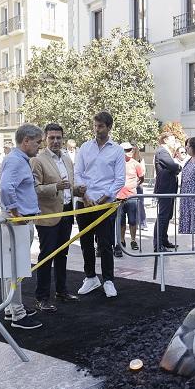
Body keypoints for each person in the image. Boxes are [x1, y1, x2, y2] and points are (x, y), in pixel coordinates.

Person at [73, 111, 125, 298]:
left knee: (105, 244)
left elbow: (119, 179)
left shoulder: (117, 150)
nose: (97, 129)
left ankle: (108, 280)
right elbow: (77, 173)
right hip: (84, 202)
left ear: (109, 127)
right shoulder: (85, 147)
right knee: (85, 242)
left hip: (105, 205)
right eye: (95, 126)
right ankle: (90, 277)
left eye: (101, 126)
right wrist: (85, 196)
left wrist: (105, 197)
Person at [0, 123, 43, 330]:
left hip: (20, 221)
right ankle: (17, 314)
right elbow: (6, 188)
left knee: (15, 267)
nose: (39, 146)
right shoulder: (16, 161)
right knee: (16, 268)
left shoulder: (18, 160)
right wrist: (16, 214)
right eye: (37, 142)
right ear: (26, 141)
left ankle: (11, 308)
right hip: (17, 223)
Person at [31, 123, 78, 312]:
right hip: (48, 216)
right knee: (46, 256)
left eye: (59, 137)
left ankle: (61, 291)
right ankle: (41, 297)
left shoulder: (67, 159)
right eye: (52, 138)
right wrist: (55, 187)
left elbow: (67, 186)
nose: (56, 141)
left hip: (66, 212)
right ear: (45, 139)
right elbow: (34, 189)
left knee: (62, 255)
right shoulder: (38, 160)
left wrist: (77, 190)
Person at [153, 131, 181, 251]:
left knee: (167, 215)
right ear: (165, 140)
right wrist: (177, 167)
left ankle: (164, 240)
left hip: (169, 189)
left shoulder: (166, 152)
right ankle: (158, 245)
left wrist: (175, 168)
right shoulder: (162, 152)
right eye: (172, 139)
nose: (174, 142)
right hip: (165, 189)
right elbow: (173, 166)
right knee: (163, 216)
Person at [116, 142, 146, 252]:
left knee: (133, 220)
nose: (128, 152)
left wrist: (134, 186)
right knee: (121, 221)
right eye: (126, 150)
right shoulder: (117, 164)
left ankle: (133, 240)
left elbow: (141, 178)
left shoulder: (135, 164)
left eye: (130, 149)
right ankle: (122, 239)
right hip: (119, 197)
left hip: (131, 197)